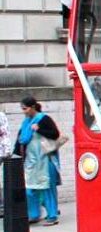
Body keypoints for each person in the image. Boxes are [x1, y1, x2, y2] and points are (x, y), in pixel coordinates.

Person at [15, 96, 61, 225]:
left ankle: (52, 216)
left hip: (46, 160)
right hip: (32, 161)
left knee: (47, 188)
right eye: (22, 109)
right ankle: (34, 214)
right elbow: (20, 141)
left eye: (25, 108)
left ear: (33, 107)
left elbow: (55, 134)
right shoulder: (25, 123)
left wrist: (39, 129)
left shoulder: (43, 119)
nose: (24, 111)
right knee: (30, 189)